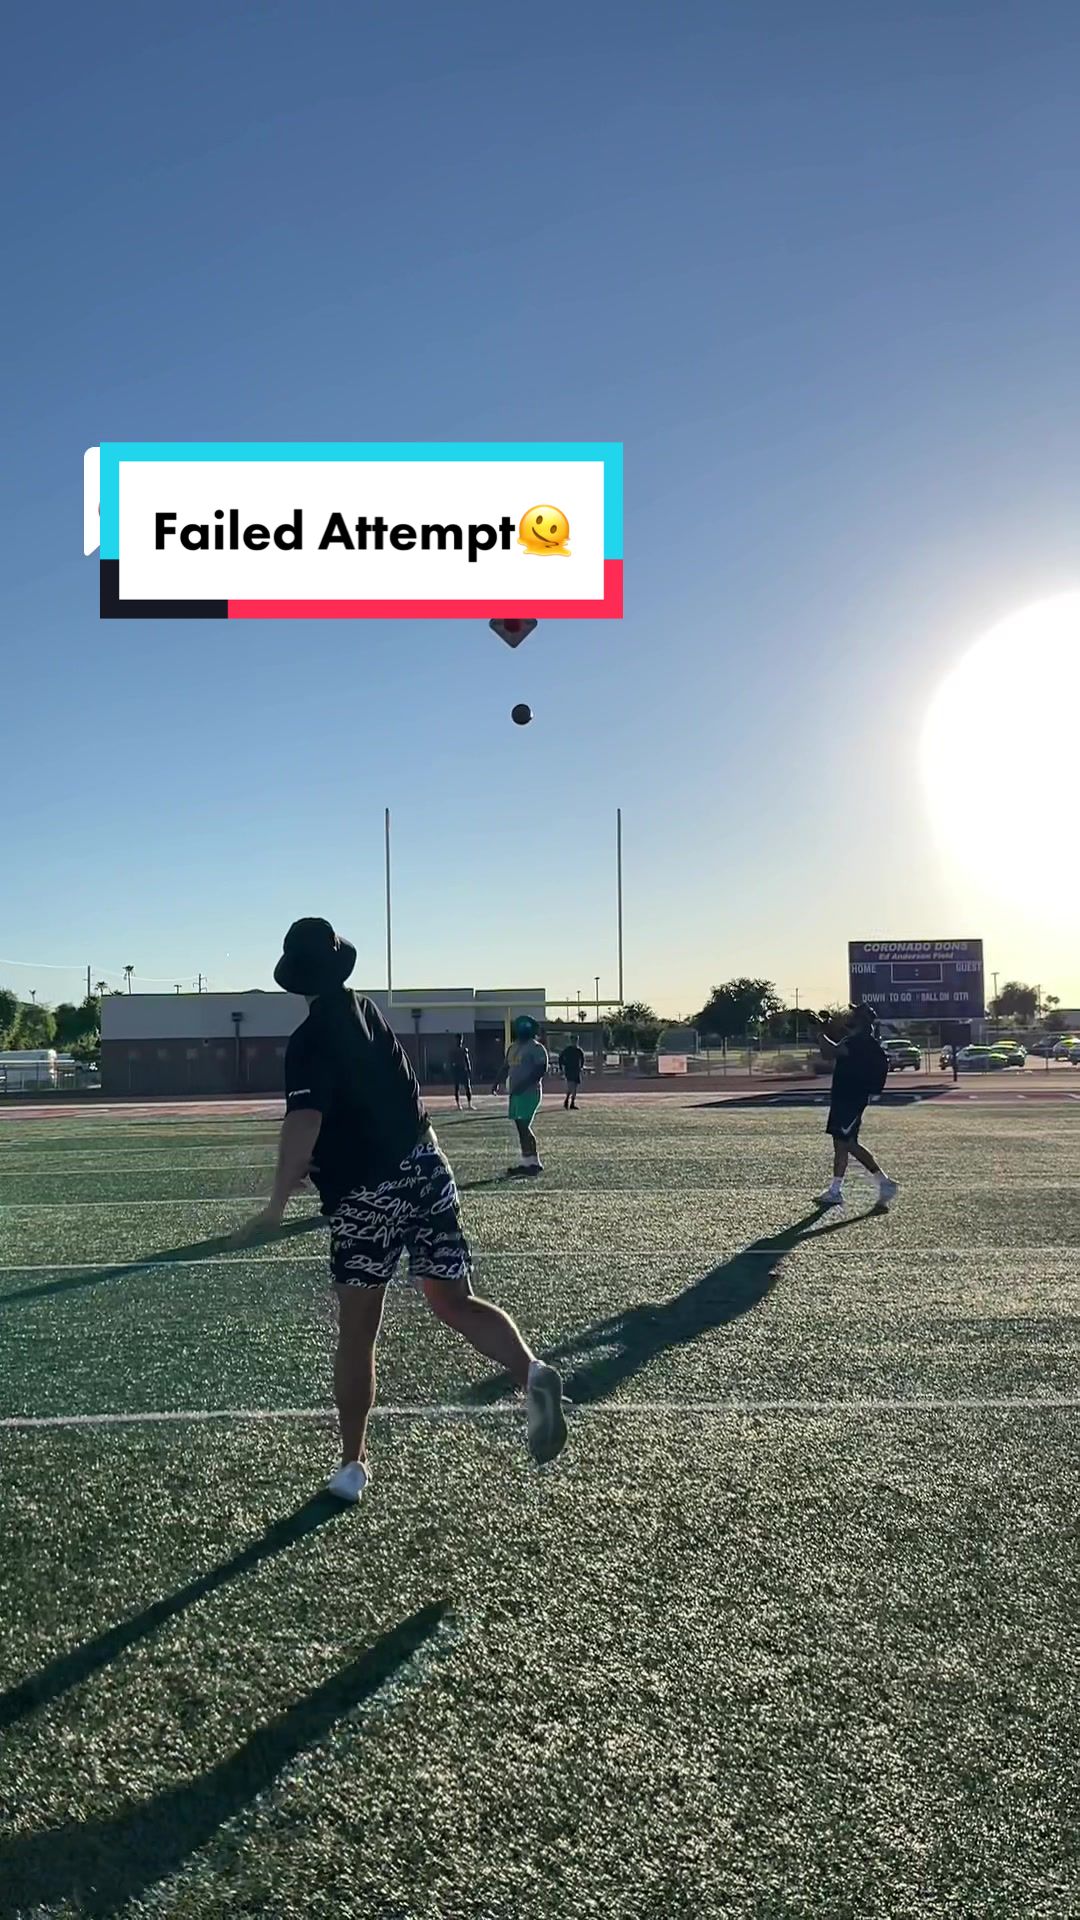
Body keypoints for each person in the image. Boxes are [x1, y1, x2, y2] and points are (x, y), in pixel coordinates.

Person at [232, 919, 567, 1502]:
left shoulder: (309, 1039)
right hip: (426, 1166)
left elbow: (304, 1120)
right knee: (454, 1300)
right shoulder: (370, 1013)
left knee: (358, 1328)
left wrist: (277, 1203)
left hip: (366, 1192)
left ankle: (353, 1464)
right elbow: (396, 1099)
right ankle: (530, 1371)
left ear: (296, 980)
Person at [810, 1004, 898, 1208]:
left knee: (845, 1143)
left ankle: (877, 1183)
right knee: (844, 1143)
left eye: (854, 1014)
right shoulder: (862, 1041)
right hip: (849, 1098)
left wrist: (820, 1033)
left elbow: (831, 1052)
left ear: (860, 1020)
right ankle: (841, 1189)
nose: (850, 1016)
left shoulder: (859, 1042)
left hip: (849, 1099)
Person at [505, 1015, 548, 1176]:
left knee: (524, 1126)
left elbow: (541, 1069)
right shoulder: (513, 1047)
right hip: (515, 1092)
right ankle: (527, 1161)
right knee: (520, 1126)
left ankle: (534, 1161)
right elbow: (506, 1066)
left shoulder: (536, 1048)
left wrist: (523, 1085)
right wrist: (496, 1081)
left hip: (529, 1092)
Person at [559, 1038, 586, 1110]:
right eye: (574, 1041)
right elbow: (560, 1058)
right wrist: (562, 1066)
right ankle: (567, 1100)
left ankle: (572, 1103)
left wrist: (581, 1067)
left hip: (576, 1070)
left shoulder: (579, 1050)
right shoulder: (568, 1050)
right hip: (569, 1070)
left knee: (575, 1087)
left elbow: (582, 1059)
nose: (575, 1042)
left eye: (576, 1041)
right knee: (571, 1086)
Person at [450, 1034, 473, 1110]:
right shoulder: (454, 1051)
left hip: (463, 1070)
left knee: (467, 1087)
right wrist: (452, 1069)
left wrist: (469, 1069)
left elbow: (467, 1060)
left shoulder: (464, 1050)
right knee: (457, 1088)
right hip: (457, 1070)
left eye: (460, 1040)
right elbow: (451, 1061)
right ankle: (458, 1105)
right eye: (457, 1040)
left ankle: (469, 1104)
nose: (459, 1041)